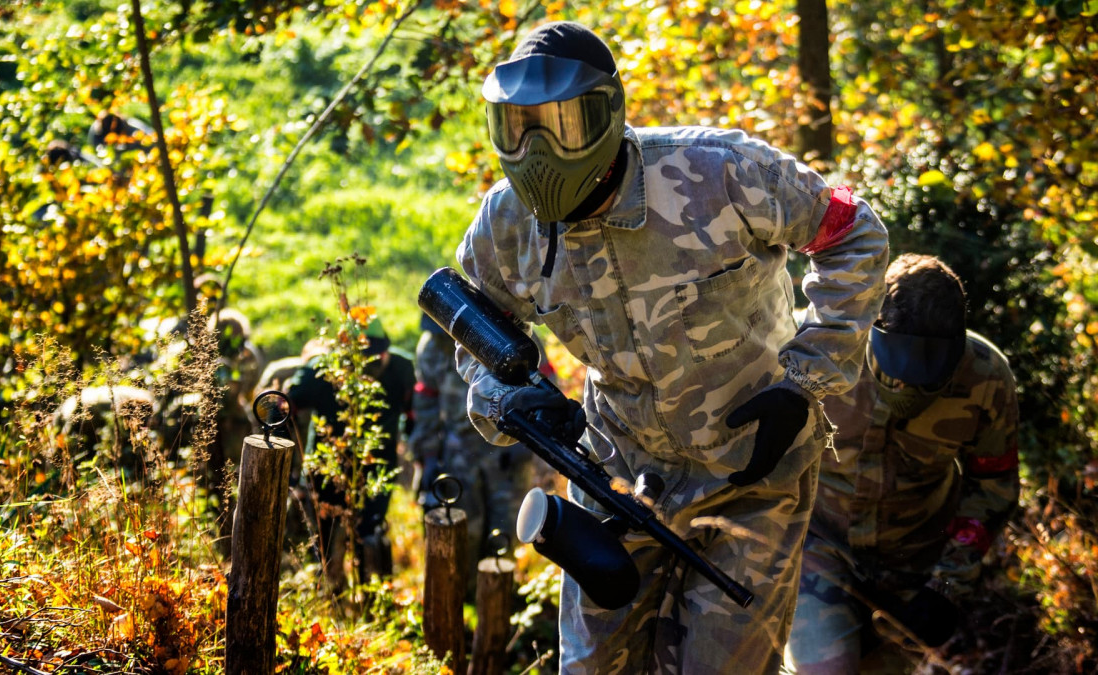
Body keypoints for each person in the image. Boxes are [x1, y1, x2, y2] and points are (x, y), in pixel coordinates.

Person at [452, 21, 889, 672]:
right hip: (616, 480)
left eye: (562, 124)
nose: (538, 150)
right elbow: (479, 333)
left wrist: (805, 382)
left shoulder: (721, 173)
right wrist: (515, 398)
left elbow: (855, 232)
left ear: (609, 114)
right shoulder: (506, 225)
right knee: (591, 668)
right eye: (519, 127)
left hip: (752, 477)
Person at [785, 254, 1019, 674]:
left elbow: (992, 488)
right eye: (897, 373)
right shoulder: (821, 344)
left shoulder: (985, 378)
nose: (907, 386)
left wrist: (947, 586)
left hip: (913, 571)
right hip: (819, 548)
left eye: (927, 378)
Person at [286, 316, 415, 587]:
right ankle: (329, 593)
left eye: (376, 355)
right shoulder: (320, 372)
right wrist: (290, 472)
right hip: (327, 468)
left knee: (371, 533)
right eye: (361, 357)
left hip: (377, 467)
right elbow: (283, 405)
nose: (369, 364)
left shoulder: (402, 370)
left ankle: (374, 597)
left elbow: (414, 413)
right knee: (324, 538)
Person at [409, 313, 543, 574]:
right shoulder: (431, 348)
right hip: (459, 451)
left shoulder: (514, 338)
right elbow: (426, 407)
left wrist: (529, 442)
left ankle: (501, 588)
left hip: (507, 448)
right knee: (465, 523)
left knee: (506, 523)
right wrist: (427, 458)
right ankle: (466, 590)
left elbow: (544, 391)